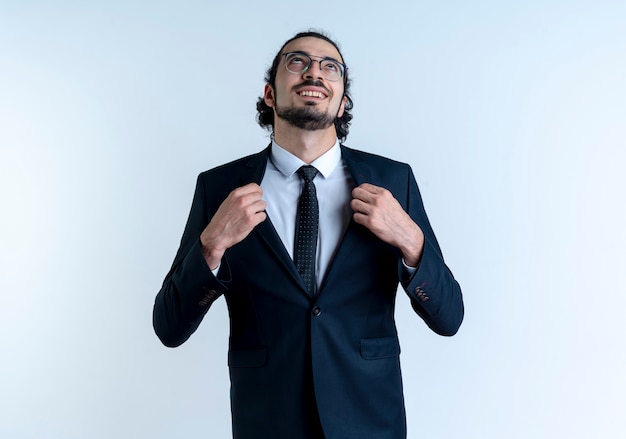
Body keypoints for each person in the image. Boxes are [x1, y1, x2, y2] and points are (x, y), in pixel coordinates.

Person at [153, 30, 464, 439]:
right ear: (270, 93)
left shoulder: (394, 180)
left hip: (369, 419)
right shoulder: (220, 188)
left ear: (342, 100)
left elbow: (449, 317)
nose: (314, 72)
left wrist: (412, 242)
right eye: (296, 62)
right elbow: (169, 326)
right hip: (267, 420)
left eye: (329, 66)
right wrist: (211, 246)